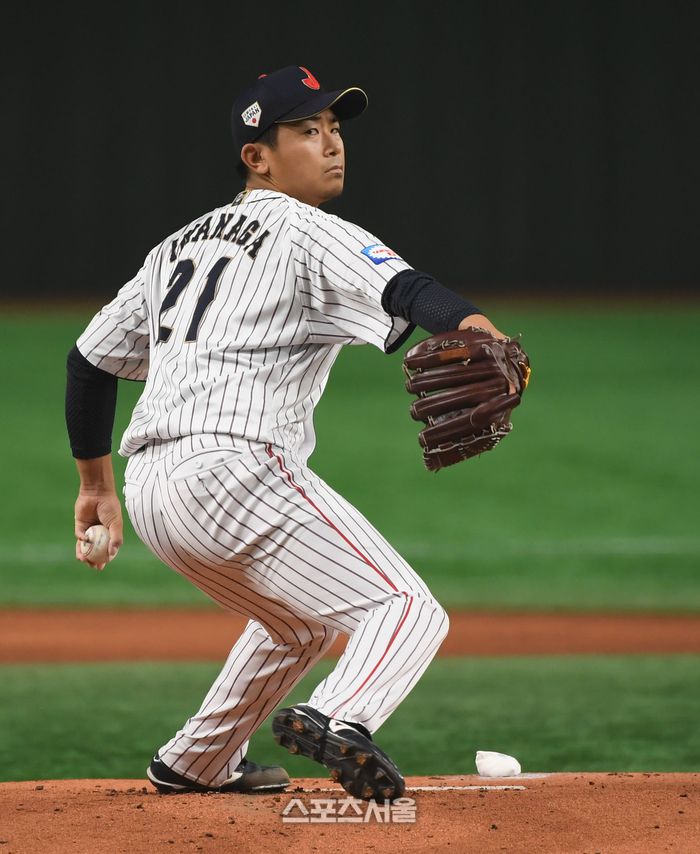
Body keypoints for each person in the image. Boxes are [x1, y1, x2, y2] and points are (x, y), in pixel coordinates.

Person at [65, 65, 507, 802]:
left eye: (335, 128)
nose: (332, 144)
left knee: (298, 626)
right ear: (257, 157)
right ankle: (341, 718)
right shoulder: (307, 230)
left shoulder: (172, 248)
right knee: (404, 609)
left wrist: (94, 486)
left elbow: (88, 362)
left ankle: (195, 761)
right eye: (308, 130)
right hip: (236, 469)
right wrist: (476, 326)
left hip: (153, 497)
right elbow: (408, 291)